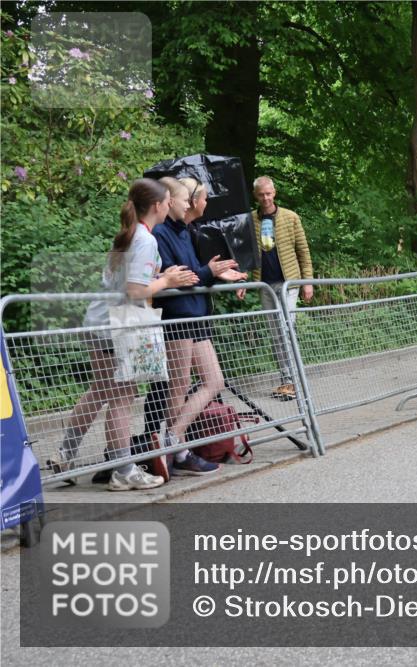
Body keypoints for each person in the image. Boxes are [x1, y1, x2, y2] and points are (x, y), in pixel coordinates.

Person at [50, 179, 198, 490]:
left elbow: (129, 282)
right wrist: (167, 281)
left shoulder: (131, 235)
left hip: (101, 322)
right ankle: (123, 469)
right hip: (117, 324)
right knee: (122, 396)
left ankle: (65, 455)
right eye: (169, 200)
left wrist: (160, 277)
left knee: (102, 392)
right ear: (158, 206)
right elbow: (135, 290)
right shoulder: (145, 240)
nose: (171, 204)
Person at [154, 177, 246, 476]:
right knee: (178, 385)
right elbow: (178, 277)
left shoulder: (185, 230)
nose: (186, 205)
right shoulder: (162, 232)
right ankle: (174, 446)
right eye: (181, 200)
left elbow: (194, 274)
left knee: (214, 380)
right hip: (179, 315)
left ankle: (173, 438)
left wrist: (217, 275)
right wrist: (209, 272)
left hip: (195, 314)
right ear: (173, 201)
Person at [244, 176, 314, 401]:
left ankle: (293, 380)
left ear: (274, 193)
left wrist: (308, 282)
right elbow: (246, 255)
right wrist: (244, 281)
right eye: (261, 194)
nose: (265, 198)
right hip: (264, 284)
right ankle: (286, 379)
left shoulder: (290, 217)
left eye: (268, 193)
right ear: (256, 195)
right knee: (275, 334)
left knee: (287, 329)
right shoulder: (249, 221)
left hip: (289, 283)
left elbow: (303, 251)